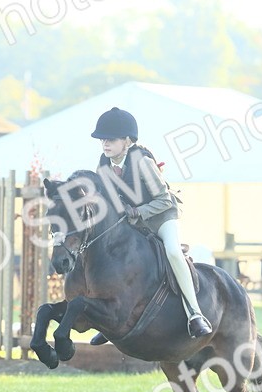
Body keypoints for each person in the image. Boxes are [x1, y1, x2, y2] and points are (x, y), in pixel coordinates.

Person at [88, 107, 213, 339]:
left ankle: (195, 314)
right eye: (102, 139)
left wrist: (137, 211)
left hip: (161, 216)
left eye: (111, 139)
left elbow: (164, 200)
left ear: (127, 141)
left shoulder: (142, 161)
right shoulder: (102, 165)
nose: (105, 144)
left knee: (174, 253)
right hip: (134, 222)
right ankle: (110, 318)